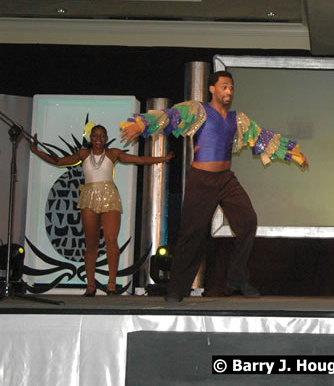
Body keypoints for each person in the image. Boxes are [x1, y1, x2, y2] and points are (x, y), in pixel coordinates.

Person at [120, 70, 308, 302]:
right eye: (224, 87)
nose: (229, 91)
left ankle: (237, 276)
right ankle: (177, 290)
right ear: (212, 88)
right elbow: (169, 115)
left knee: (248, 222)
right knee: (193, 236)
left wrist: (291, 152)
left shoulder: (237, 119)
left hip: (226, 179)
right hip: (202, 180)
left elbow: (262, 137)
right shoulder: (197, 110)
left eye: (231, 88)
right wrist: (141, 125)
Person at [30, 124, 174, 296]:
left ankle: (111, 283)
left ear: (105, 138)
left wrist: (162, 159)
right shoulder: (83, 154)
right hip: (89, 196)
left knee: (111, 239)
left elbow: (139, 160)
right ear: (90, 138)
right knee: (91, 243)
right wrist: (36, 150)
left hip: (109, 196)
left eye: (102, 136)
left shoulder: (113, 154)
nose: (98, 139)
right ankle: (90, 286)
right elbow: (59, 161)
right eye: (95, 136)